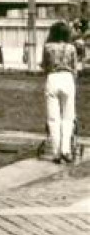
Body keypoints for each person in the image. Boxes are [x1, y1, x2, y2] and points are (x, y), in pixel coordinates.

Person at [41, 22, 77, 164]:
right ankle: (66, 150)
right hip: (67, 78)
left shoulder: (47, 47)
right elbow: (75, 68)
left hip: (53, 78)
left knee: (53, 119)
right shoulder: (71, 48)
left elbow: (44, 66)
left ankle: (56, 152)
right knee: (68, 118)